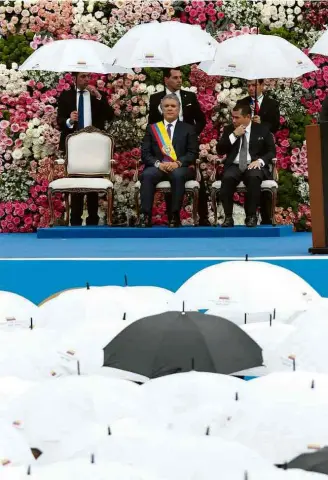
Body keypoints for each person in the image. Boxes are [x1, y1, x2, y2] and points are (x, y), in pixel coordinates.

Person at [148, 68, 208, 225]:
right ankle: (172, 218)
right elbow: (152, 124)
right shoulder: (155, 99)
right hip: (163, 148)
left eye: (181, 77)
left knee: (198, 179)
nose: (180, 80)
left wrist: (189, 135)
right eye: (175, 78)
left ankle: (204, 218)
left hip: (185, 147)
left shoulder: (190, 96)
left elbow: (201, 120)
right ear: (166, 79)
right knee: (169, 176)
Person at [57, 72, 114, 226]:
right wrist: (69, 120)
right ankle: (75, 219)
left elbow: (110, 115)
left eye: (88, 76)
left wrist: (98, 96)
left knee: (93, 181)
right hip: (73, 146)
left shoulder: (97, 95)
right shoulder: (66, 96)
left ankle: (93, 220)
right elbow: (59, 120)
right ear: (74, 78)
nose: (86, 79)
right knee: (76, 182)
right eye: (82, 76)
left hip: (93, 146)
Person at [140, 94, 198, 228]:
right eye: (166, 106)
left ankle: (174, 215)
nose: (170, 109)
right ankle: (145, 216)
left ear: (179, 109)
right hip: (158, 166)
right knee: (147, 175)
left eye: (173, 106)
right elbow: (145, 153)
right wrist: (158, 164)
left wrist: (177, 163)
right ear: (161, 109)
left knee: (177, 175)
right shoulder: (152, 128)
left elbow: (192, 153)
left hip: (180, 167)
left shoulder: (188, 129)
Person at [217, 103, 276, 228]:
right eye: (232, 117)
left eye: (237, 117)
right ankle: (228, 217)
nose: (233, 120)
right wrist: (234, 135)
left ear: (248, 116)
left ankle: (251, 216)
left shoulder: (262, 129)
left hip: (253, 164)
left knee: (254, 177)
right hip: (235, 164)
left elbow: (271, 151)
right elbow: (220, 150)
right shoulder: (229, 129)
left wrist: (260, 161)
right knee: (227, 178)